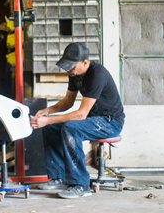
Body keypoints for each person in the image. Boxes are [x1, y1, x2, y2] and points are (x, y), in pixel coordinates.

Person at [29, 42, 125, 199]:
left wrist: (48, 120)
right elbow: (67, 102)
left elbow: (81, 114)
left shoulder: (97, 74)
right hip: (93, 119)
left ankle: (80, 184)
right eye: (67, 67)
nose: (69, 70)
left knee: (70, 128)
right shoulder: (75, 74)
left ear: (85, 62)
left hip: (110, 122)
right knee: (51, 128)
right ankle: (58, 177)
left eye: (72, 67)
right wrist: (48, 111)